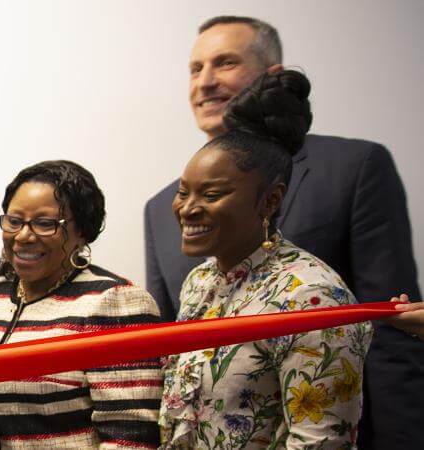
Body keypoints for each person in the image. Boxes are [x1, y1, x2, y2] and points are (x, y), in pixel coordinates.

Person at [141, 17, 419, 447]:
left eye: (225, 62)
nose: (206, 82)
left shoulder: (354, 168)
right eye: (195, 69)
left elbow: (393, 331)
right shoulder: (161, 209)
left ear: (272, 199)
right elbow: (164, 362)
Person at [158, 70, 373, 448]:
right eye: (183, 192)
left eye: (211, 194)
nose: (187, 209)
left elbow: (319, 442)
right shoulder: (200, 281)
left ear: (271, 200)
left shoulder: (312, 297)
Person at [0, 161, 162, 449]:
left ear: (83, 231)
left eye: (45, 224)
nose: (23, 235)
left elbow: (131, 438)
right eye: (14, 221)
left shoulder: (114, 301)